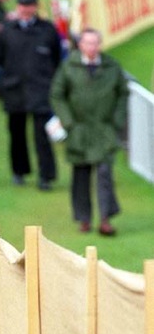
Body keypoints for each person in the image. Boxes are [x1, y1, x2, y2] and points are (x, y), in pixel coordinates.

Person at [50, 28, 128, 235]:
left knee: (104, 174)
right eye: (88, 43)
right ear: (81, 45)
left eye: (95, 43)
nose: (92, 47)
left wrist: (117, 120)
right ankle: (83, 218)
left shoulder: (111, 67)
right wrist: (68, 122)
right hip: (79, 130)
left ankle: (105, 218)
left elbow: (122, 93)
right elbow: (57, 94)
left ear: (100, 45)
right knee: (81, 175)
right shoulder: (69, 67)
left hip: (104, 129)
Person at [0, 0, 61, 189]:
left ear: (36, 6)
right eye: (23, 4)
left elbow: (57, 58)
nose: (26, 9)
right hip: (15, 88)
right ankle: (19, 171)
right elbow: (1, 57)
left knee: (42, 134)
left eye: (30, 4)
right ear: (18, 5)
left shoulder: (47, 30)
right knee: (17, 133)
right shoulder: (7, 29)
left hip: (40, 87)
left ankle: (46, 176)